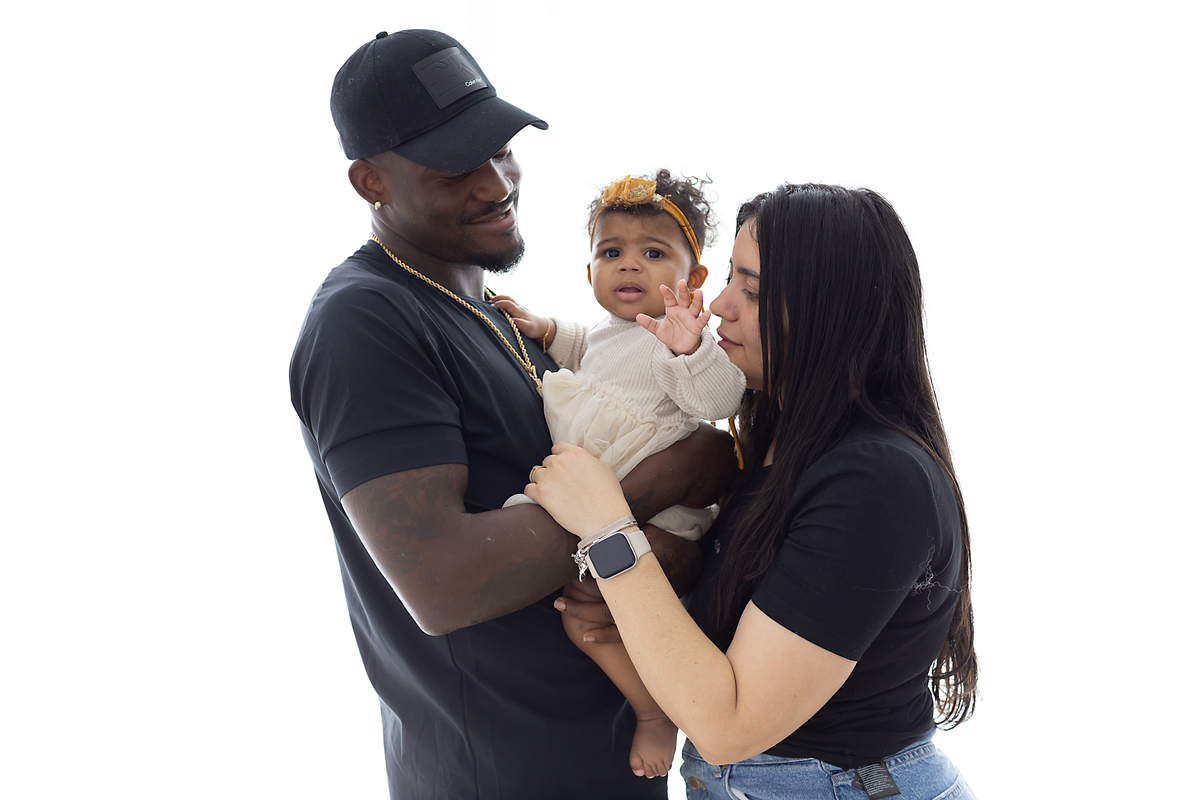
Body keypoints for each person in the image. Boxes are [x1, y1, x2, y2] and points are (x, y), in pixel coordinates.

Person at [289, 30, 735, 800]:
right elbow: (446, 583)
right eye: (458, 163)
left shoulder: (492, 308)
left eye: (500, 147)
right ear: (371, 182)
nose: (497, 181)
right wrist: (664, 482)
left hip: (607, 759)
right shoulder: (364, 323)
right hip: (500, 777)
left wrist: (676, 546)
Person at [528, 184, 980, 799]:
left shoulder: (878, 481)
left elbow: (728, 726)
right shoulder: (779, 437)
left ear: (835, 312)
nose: (717, 306)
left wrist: (610, 531)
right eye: (730, 281)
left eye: (753, 289)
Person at [489, 170, 746, 778]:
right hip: (596, 499)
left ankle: (655, 712)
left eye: (653, 254)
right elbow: (584, 346)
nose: (629, 267)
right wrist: (547, 329)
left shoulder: (677, 338)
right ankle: (648, 703)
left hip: (653, 509)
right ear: (589, 273)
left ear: (695, 279)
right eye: (612, 253)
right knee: (581, 620)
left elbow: (719, 400)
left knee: (610, 617)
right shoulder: (609, 331)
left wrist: (690, 348)